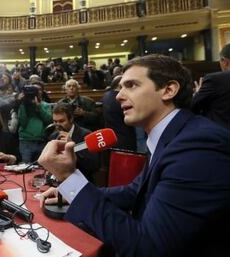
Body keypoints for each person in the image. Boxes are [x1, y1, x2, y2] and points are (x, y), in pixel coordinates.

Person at [38, 55, 230, 257]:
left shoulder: (198, 147)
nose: (119, 95)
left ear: (169, 90)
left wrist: (69, 178)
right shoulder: (173, 134)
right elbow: (136, 191)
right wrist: (72, 192)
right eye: (120, 87)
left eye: (131, 85)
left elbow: (148, 248)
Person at [48, 103, 99, 182]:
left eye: (61, 121)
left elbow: (93, 165)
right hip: (60, 182)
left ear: (71, 119)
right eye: (55, 121)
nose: (57, 125)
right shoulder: (53, 137)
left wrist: (73, 147)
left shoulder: (86, 135)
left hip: (82, 181)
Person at [191, 43, 230, 129]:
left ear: (224, 61)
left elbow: (193, 106)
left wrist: (197, 93)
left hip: (221, 135)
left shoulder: (214, 79)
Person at [102, 75, 137, 151]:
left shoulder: (106, 95)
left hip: (112, 137)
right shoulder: (119, 99)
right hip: (125, 138)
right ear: (120, 86)